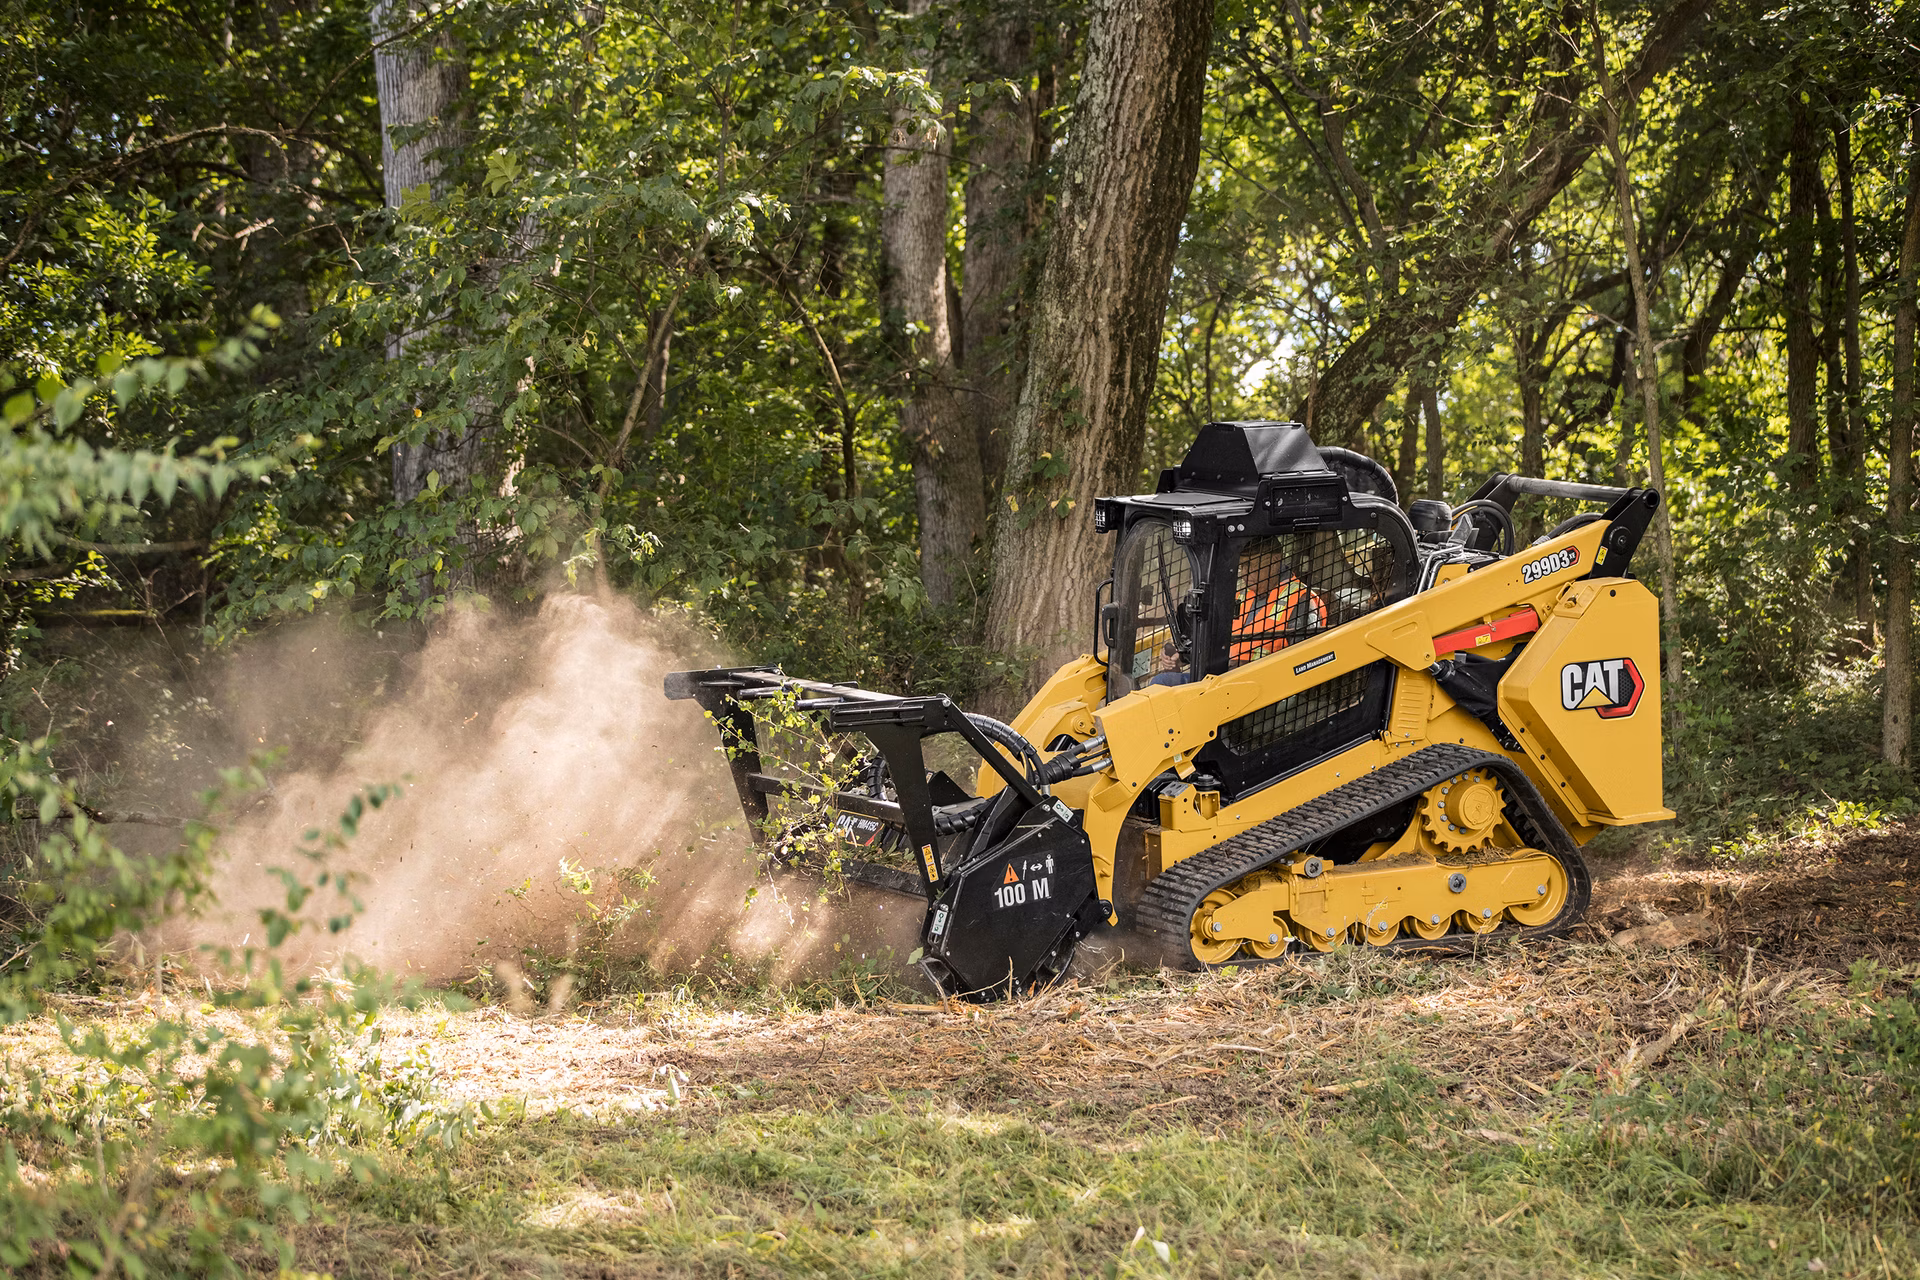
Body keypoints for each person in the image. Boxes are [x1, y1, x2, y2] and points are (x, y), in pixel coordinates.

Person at [1230, 548, 1325, 664]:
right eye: (1242, 566)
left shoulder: (1301, 599)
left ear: (1275, 560)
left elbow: (1304, 659)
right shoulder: (1240, 596)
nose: (1245, 572)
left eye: (1251, 565)